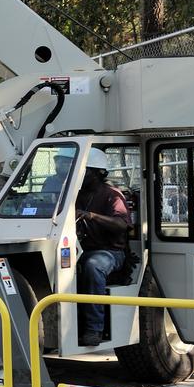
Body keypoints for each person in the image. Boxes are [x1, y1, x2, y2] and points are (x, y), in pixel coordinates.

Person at [74, 148, 131, 346]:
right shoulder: (75, 193)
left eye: (85, 170)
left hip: (110, 252)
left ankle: (94, 328)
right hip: (80, 248)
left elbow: (121, 225)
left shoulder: (112, 195)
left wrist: (91, 216)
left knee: (93, 265)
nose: (81, 174)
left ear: (99, 172)